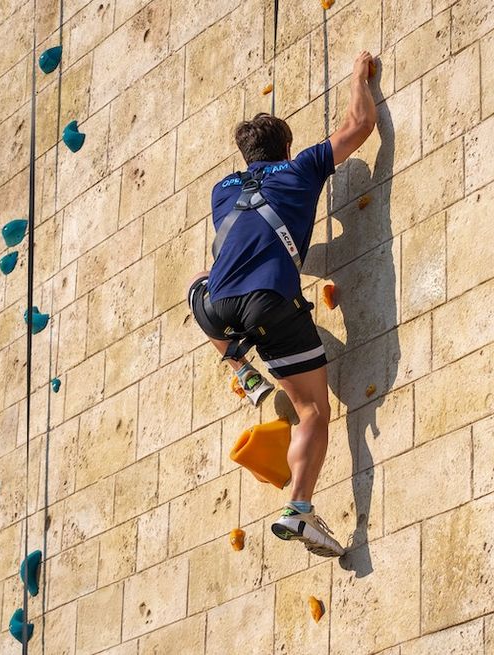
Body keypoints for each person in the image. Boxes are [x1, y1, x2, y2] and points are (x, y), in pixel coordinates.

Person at [187, 51, 377, 557]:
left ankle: (244, 372)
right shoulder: (301, 168)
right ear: (286, 146)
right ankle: (299, 510)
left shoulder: (221, 192)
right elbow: (359, 125)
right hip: (268, 303)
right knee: (313, 408)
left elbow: (243, 241)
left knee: (197, 286)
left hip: (218, 307)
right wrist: (359, 77)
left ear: (246, 156)